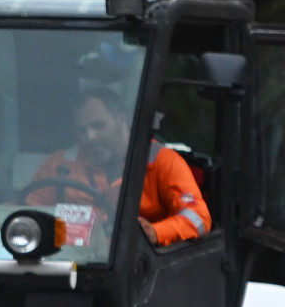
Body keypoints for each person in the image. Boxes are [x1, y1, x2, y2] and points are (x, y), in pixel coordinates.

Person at [26, 92, 211, 249]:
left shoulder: (161, 160)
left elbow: (198, 217)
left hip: (140, 270)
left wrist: (155, 232)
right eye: (81, 130)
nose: (89, 137)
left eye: (98, 126)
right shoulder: (60, 163)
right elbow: (27, 209)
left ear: (121, 119)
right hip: (72, 264)